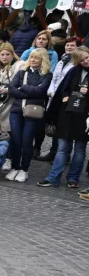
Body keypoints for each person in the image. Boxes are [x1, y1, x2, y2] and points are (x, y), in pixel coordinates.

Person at [41, 48, 89, 189]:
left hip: (85, 116)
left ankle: (73, 179)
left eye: (87, 58)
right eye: (82, 59)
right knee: (62, 148)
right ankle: (53, 177)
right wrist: (64, 96)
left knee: (80, 149)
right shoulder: (73, 71)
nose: (86, 61)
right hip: (68, 114)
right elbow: (64, 88)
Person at [2, 48, 51, 183]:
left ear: (43, 60)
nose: (33, 60)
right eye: (31, 57)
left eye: (36, 58)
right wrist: (30, 91)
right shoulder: (22, 71)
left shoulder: (47, 74)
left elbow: (41, 91)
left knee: (26, 141)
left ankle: (24, 169)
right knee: (16, 141)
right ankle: (15, 167)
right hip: (17, 110)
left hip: (33, 111)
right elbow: (12, 89)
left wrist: (23, 88)